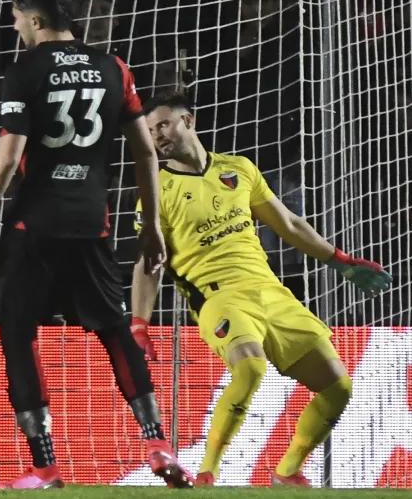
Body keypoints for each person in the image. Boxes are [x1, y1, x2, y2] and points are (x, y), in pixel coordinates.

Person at [0, 0, 190, 489]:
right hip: (92, 223)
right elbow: (146, 154)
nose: (16, 25)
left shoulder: (24, 70)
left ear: (36, 19)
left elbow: (7, 157)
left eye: (18, 17)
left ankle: (45, 467)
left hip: (32, 227)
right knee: (114, 329)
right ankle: (157, 443)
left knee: (18, 336)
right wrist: (151, 227)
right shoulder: (114, 67)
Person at [131, 92, 392, 487]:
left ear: (189, 121)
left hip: (270, 291)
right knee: (250, 367)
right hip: (217, 297)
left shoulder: (238, 169)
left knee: (338, 387)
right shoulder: (156, 190)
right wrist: (139, 323)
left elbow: (288, 223)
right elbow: (148, 263)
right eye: (150, 131)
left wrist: (341, 260)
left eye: (163, 125)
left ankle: (287, 473)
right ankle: (207, 474)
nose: (157, 135)